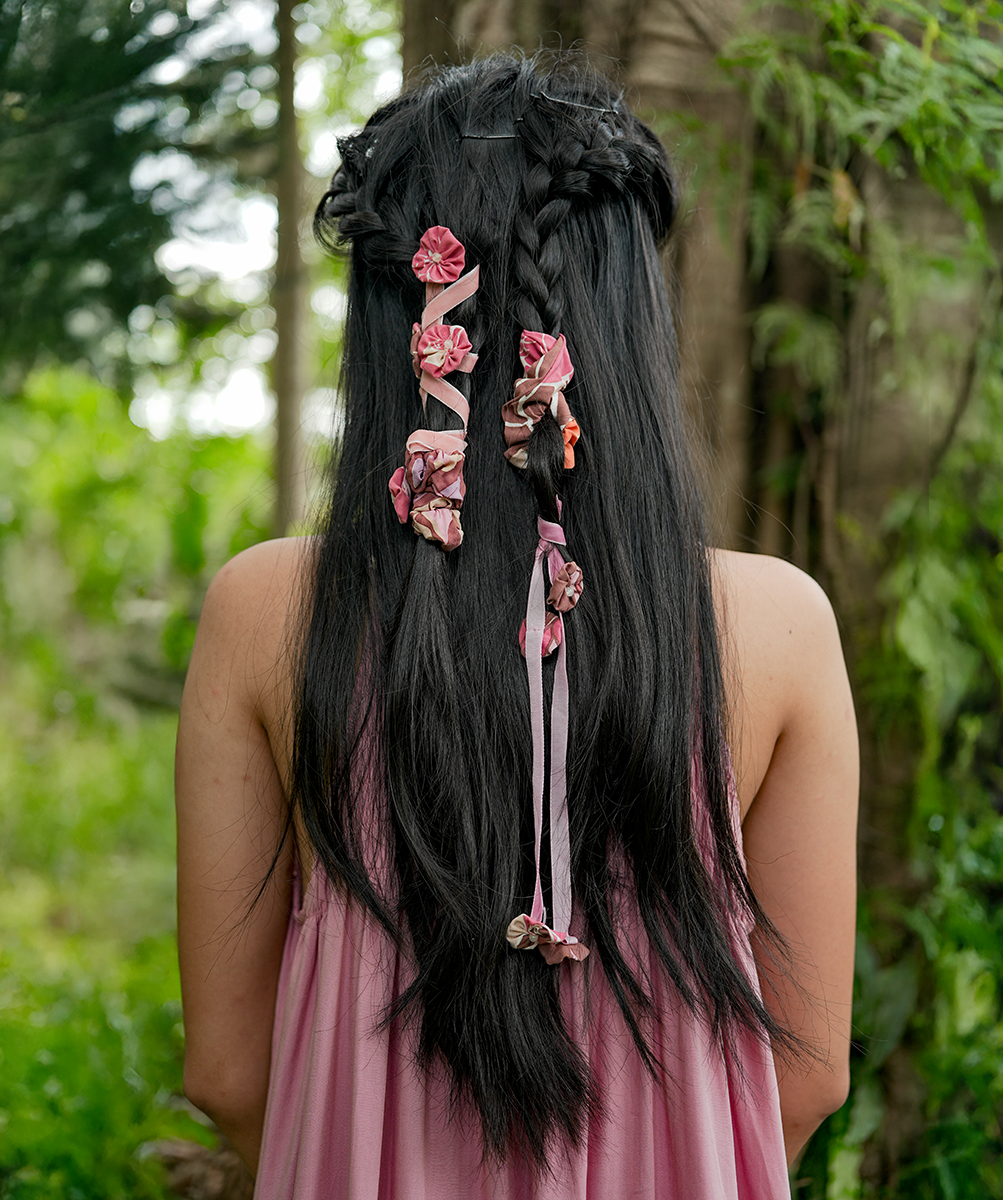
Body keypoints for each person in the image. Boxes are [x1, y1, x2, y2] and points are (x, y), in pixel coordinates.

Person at [175, 55, 858, 1199]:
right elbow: (806, 1077)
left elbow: (231, 1069)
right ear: (632, 316)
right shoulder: (777, 627)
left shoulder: (265, 616)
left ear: (391, 317)